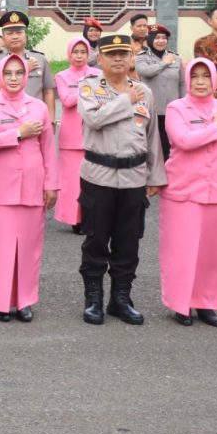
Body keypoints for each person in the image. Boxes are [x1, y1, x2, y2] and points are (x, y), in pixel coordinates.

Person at [76, 34, 167, 326]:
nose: (118, 59)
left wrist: (155, 175)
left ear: (131, 58)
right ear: (99, 59)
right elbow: (94, 120)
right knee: (96, 240)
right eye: (111, 54)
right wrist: (125, 100)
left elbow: (152, 137)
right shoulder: (88, 86)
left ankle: (121, 299)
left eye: (123, 54)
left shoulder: (144, 91)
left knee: (128, 242)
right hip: (98, 176)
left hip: (134, 178)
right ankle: (93, 299)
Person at [0, 54, 58, 322]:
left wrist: (52, 184)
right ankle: (0, 301)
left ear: (25, 76)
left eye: (18, 73)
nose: (13, 78)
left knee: (29, 248)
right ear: (0, 76)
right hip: (0, 187)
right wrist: (18, 133)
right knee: (0, 247)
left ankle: (25, 300)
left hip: (33, 185)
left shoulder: (38, 107)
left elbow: (48, 148)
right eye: (8, 73)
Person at [159, 59, 217, 327]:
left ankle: (207, 303)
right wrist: (216, 126)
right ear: (187, 80)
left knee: (213, 253)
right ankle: (181, 305)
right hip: (184, 191)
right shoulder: (177, 108)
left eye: (207, 76)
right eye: (195, 77)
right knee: (182, 251)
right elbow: (183, 140)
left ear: (216, 81)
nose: (201, 82)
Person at [54, 38, 100, 232]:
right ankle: (75, 219)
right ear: (69, 54)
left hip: (95, 133)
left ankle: (93, 218)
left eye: (83, 52)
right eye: (76, 52)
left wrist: (86, 87)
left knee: (94, 180)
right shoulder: (62, 76)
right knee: (72, 183)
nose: (79, 56)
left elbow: (104, 96)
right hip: (71, 137)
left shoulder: (98, 73)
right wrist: (86, 87)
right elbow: (66, 100)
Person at [0, 11, 55, 123]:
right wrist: (25, 69)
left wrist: (51, 120)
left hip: (35, 118)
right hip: (6, 119)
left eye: (19, 33)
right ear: (3, 38)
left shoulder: (39, 58)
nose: (15, 37)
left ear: (26, 36)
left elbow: (48, 91)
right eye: (9, 33)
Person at [134, 24, 183, 159]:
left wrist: (184, 105)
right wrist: (164, 63)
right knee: (152, 145)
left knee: (171, 145)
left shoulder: (176, 58)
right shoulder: (142, 57)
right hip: (152, 111)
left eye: (164, 38)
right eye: (157, 38)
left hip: (172, 111)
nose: (161, 41)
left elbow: (182, 83)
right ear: (150, 39)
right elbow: (145, 72)